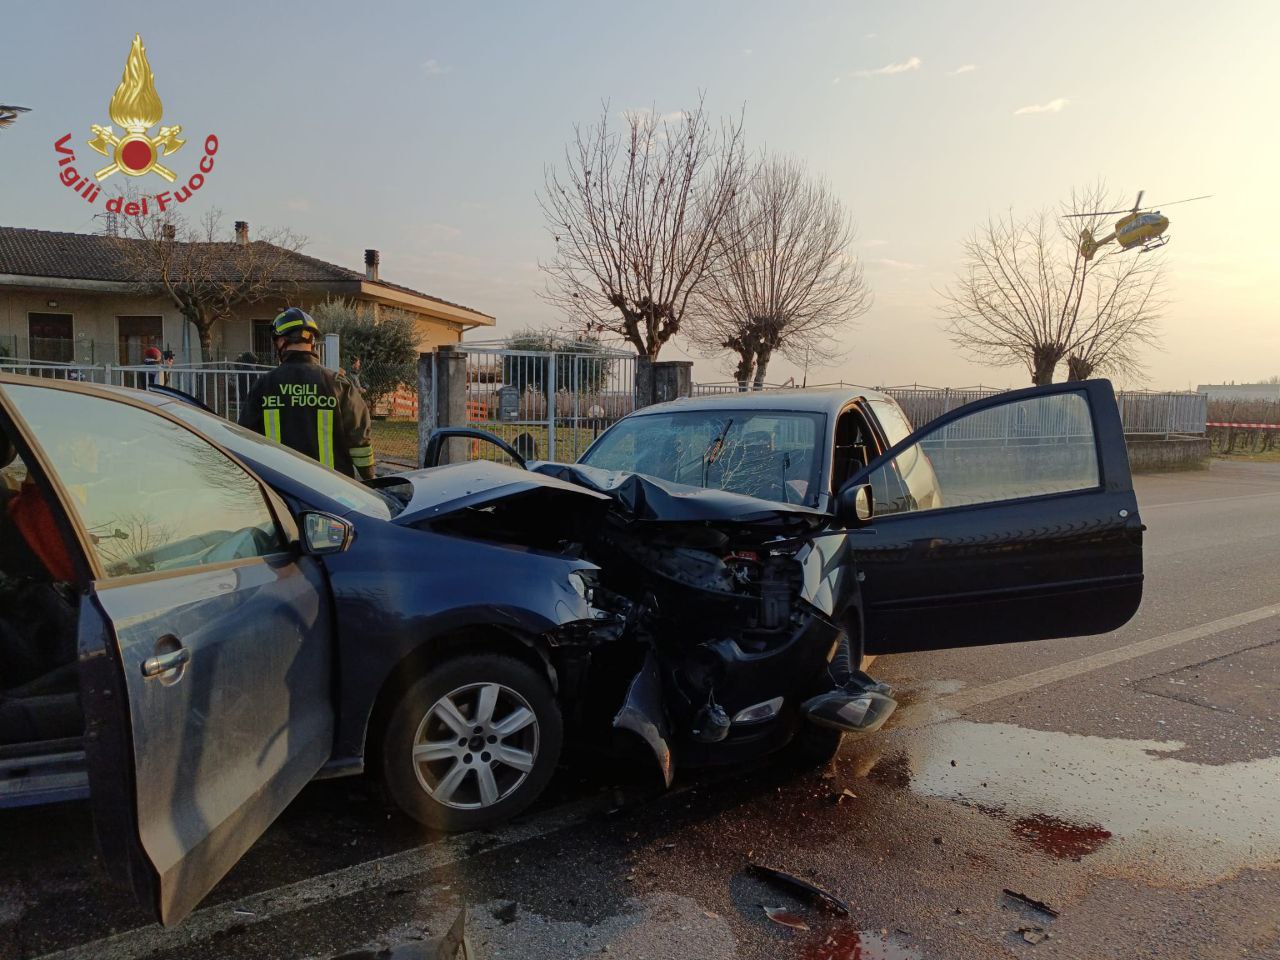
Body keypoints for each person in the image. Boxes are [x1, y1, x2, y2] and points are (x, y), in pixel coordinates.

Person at [237, 308, 376, 479]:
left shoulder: (264, 385)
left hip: (280, 490)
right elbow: (359, 440)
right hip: (334, 491)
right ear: (312, 342)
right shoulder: (339, 384)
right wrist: (370, 481)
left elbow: (245, 440)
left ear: (281, 341)